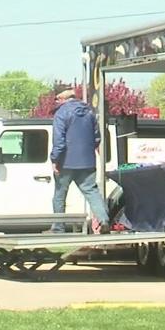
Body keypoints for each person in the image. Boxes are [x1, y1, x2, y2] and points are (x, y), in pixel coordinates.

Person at [46, 89, 111, 234]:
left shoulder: (61, 113)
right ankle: (104, 220)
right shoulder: (89, 113)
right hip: (88, 161)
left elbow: (59, 141)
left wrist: (55, 159)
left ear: (62, 98)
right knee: (92, 192)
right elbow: (97, 138)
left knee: (59, 195)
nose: (56, 102)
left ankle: (58, 227)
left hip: (65, 162)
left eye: (57, 99)